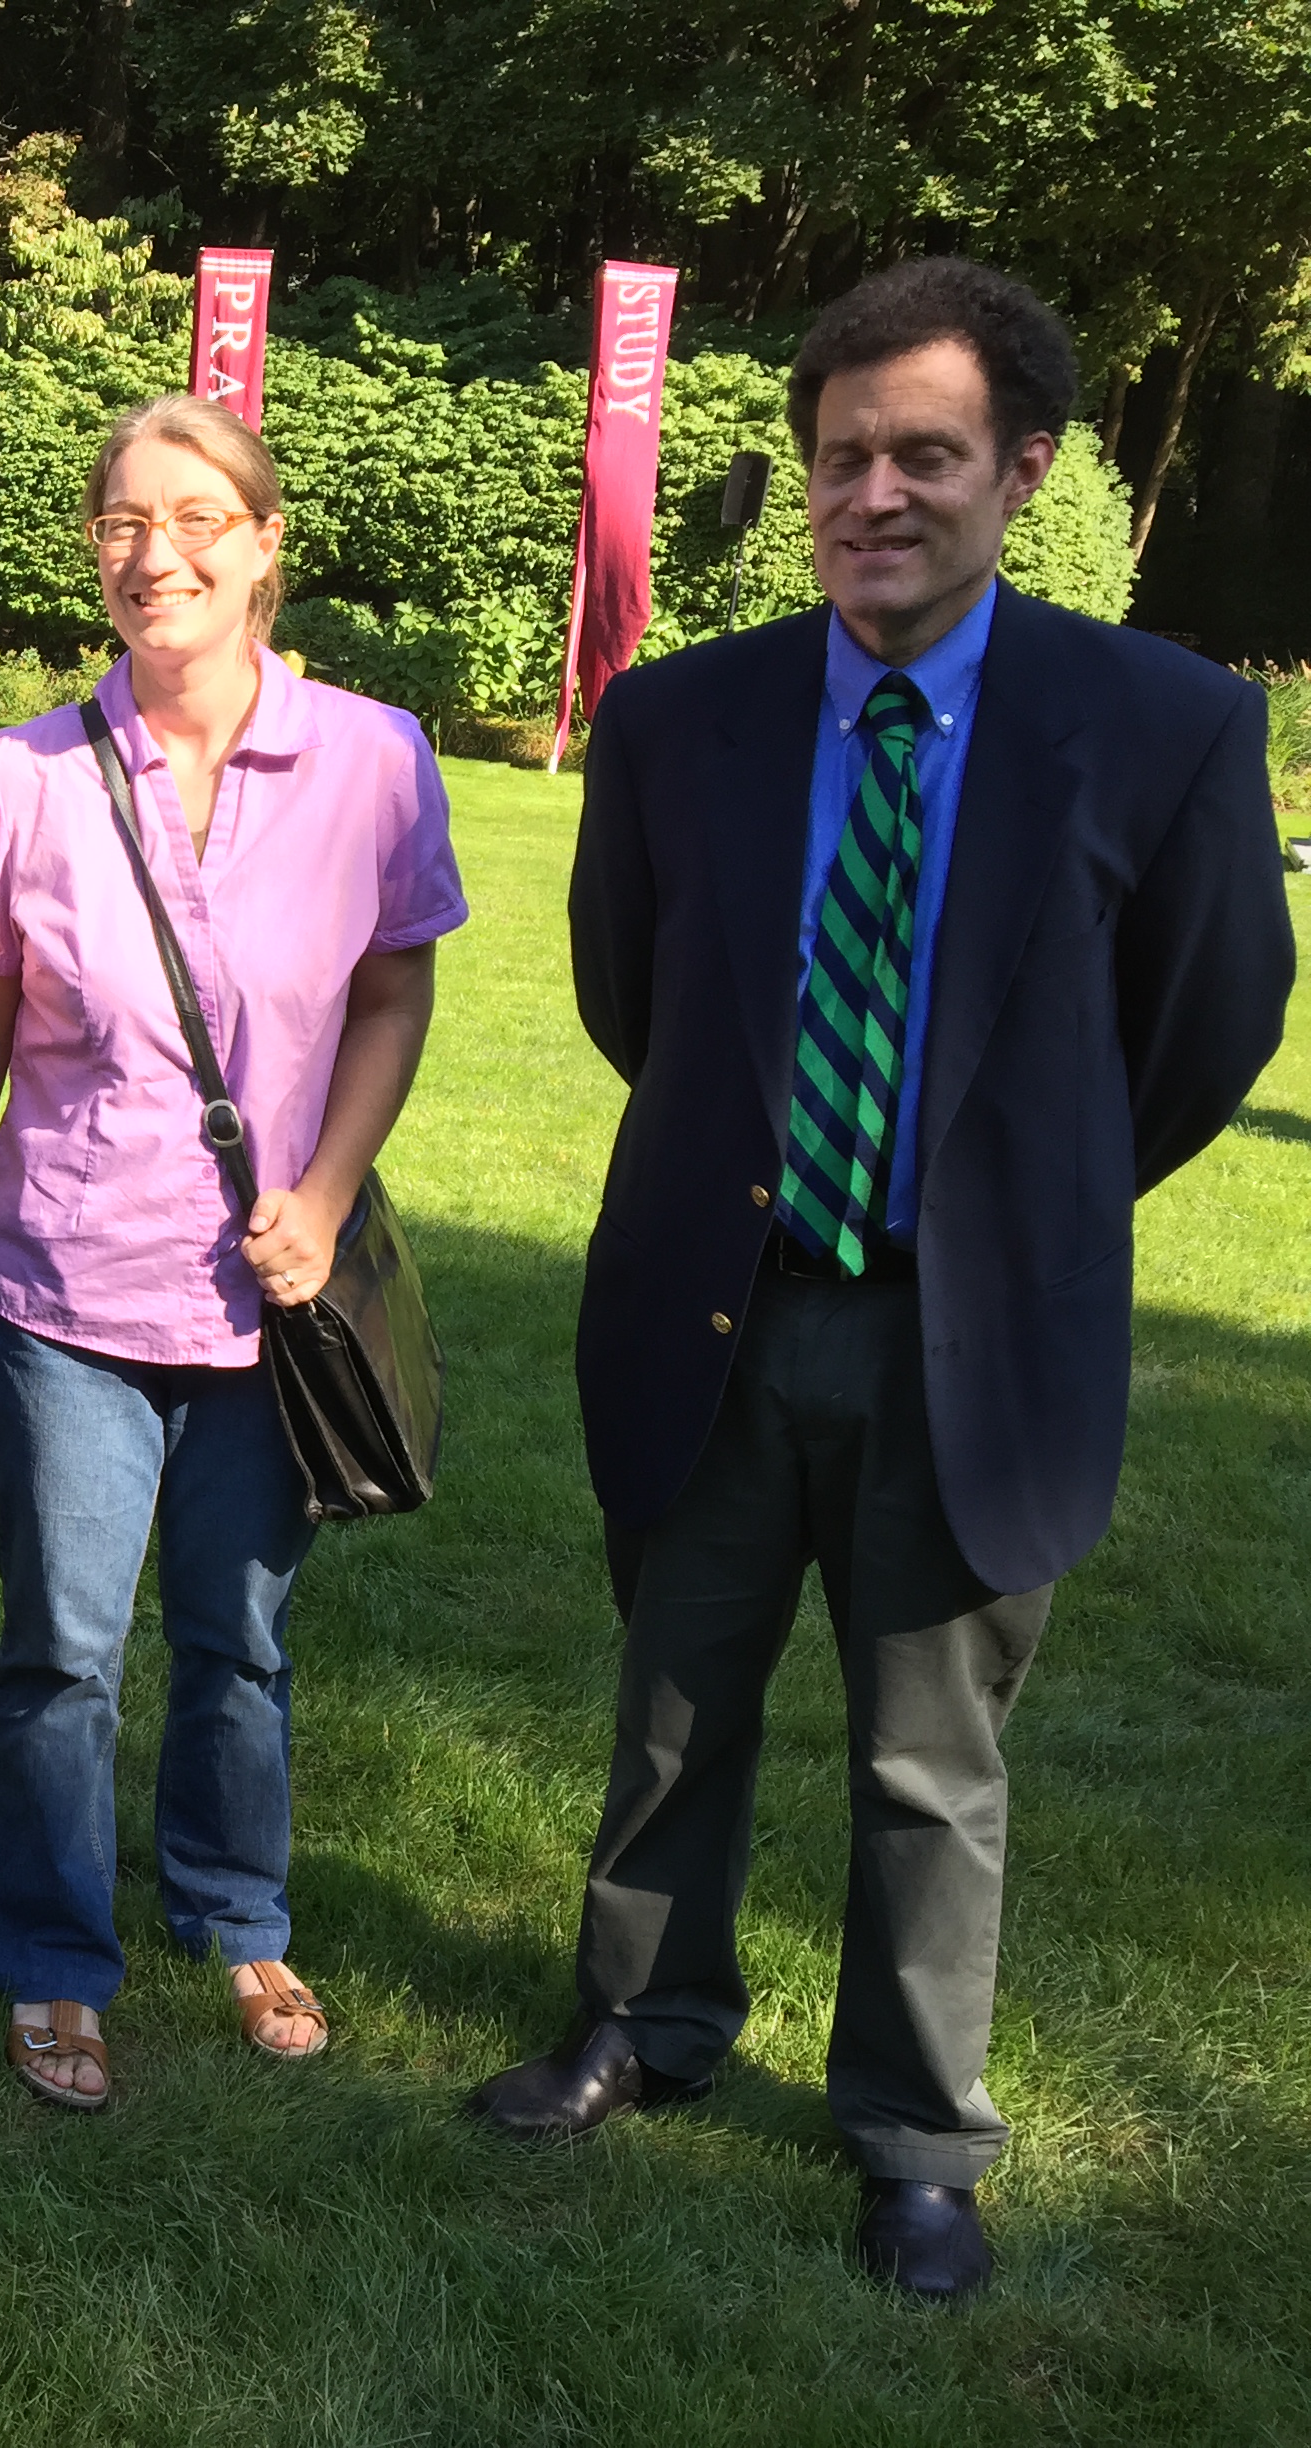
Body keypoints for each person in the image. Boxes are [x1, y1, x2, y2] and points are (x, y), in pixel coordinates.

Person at [463, 260, 1291, 2298]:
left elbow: (1200, 1032)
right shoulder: (677, 721)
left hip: (970, 1332)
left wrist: (1019, 1196)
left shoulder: (1164, 726)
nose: (879, 494)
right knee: (674, 1708)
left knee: (933, 1759)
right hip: (721, 1298)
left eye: (928, 453)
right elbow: (640, 999)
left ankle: (919, 2135)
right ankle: (643, 2024)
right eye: (845, 456)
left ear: (1023, 467)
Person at [0, 396, 464, 2110]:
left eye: (199, 517)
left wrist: (328, 1182)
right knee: (62, 1649)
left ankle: (236, 1917)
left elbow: (396, 986)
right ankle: (54, 1960)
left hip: (271, 1303)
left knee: (240, 1641)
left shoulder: (376, 757)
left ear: (266, 542)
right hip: (68, 1289)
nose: (160, 554)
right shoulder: (21, 772)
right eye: (124, 523)